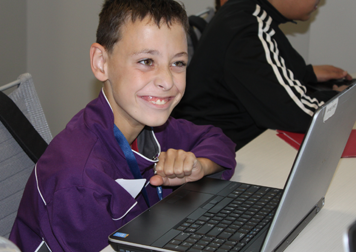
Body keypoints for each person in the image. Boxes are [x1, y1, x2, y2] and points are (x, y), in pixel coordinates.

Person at [9, 1, 236, 251]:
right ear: (101, 63)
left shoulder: (153, 129)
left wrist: (199, 166)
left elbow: (218, 139)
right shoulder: (80, 181)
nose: (167, 80)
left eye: (178, 63)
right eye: (147, 61)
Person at [172, 0, 356, 150]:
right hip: (222, 152)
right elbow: (299, 114)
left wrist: (306, 73)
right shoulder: (249, 28)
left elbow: (267, 71)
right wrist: (349, 98)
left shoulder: (242, 11)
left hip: (223, 141)